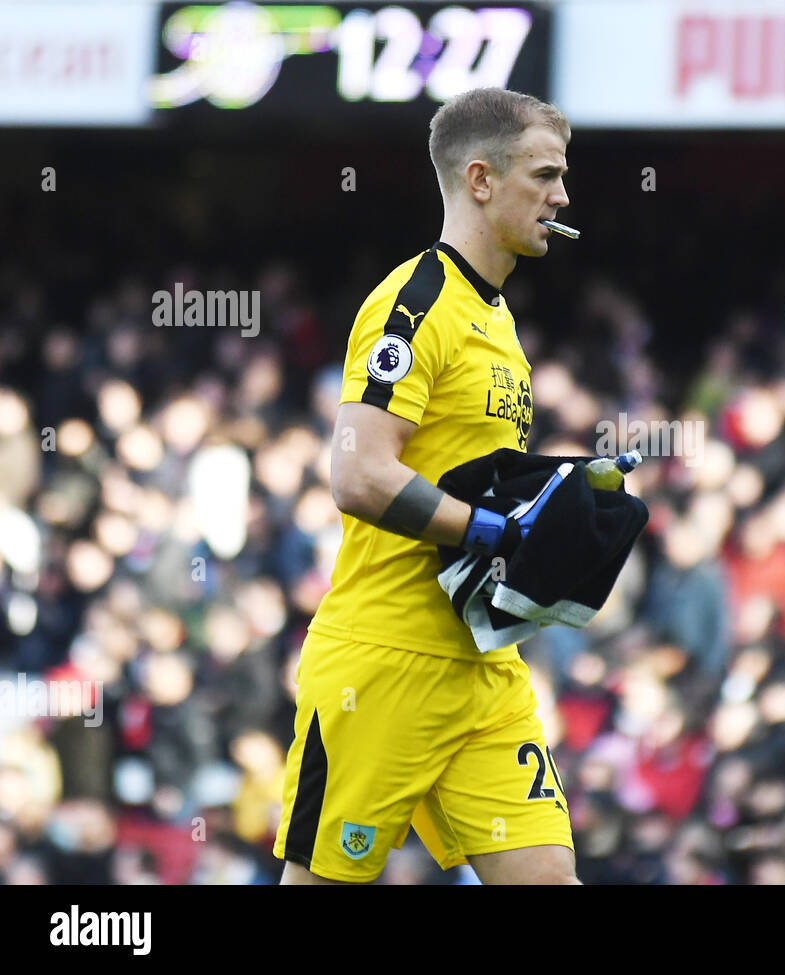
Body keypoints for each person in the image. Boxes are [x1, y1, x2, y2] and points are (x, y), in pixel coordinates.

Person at [274, 87, 578, 884]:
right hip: (383, 664)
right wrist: (495, 531)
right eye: (544, 175)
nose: (562, 195)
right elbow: (359, 473)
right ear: (480, 179)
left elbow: (465, 473)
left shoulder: (501, 320)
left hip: (483, 662)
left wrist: (555, 507)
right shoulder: (415, 303)